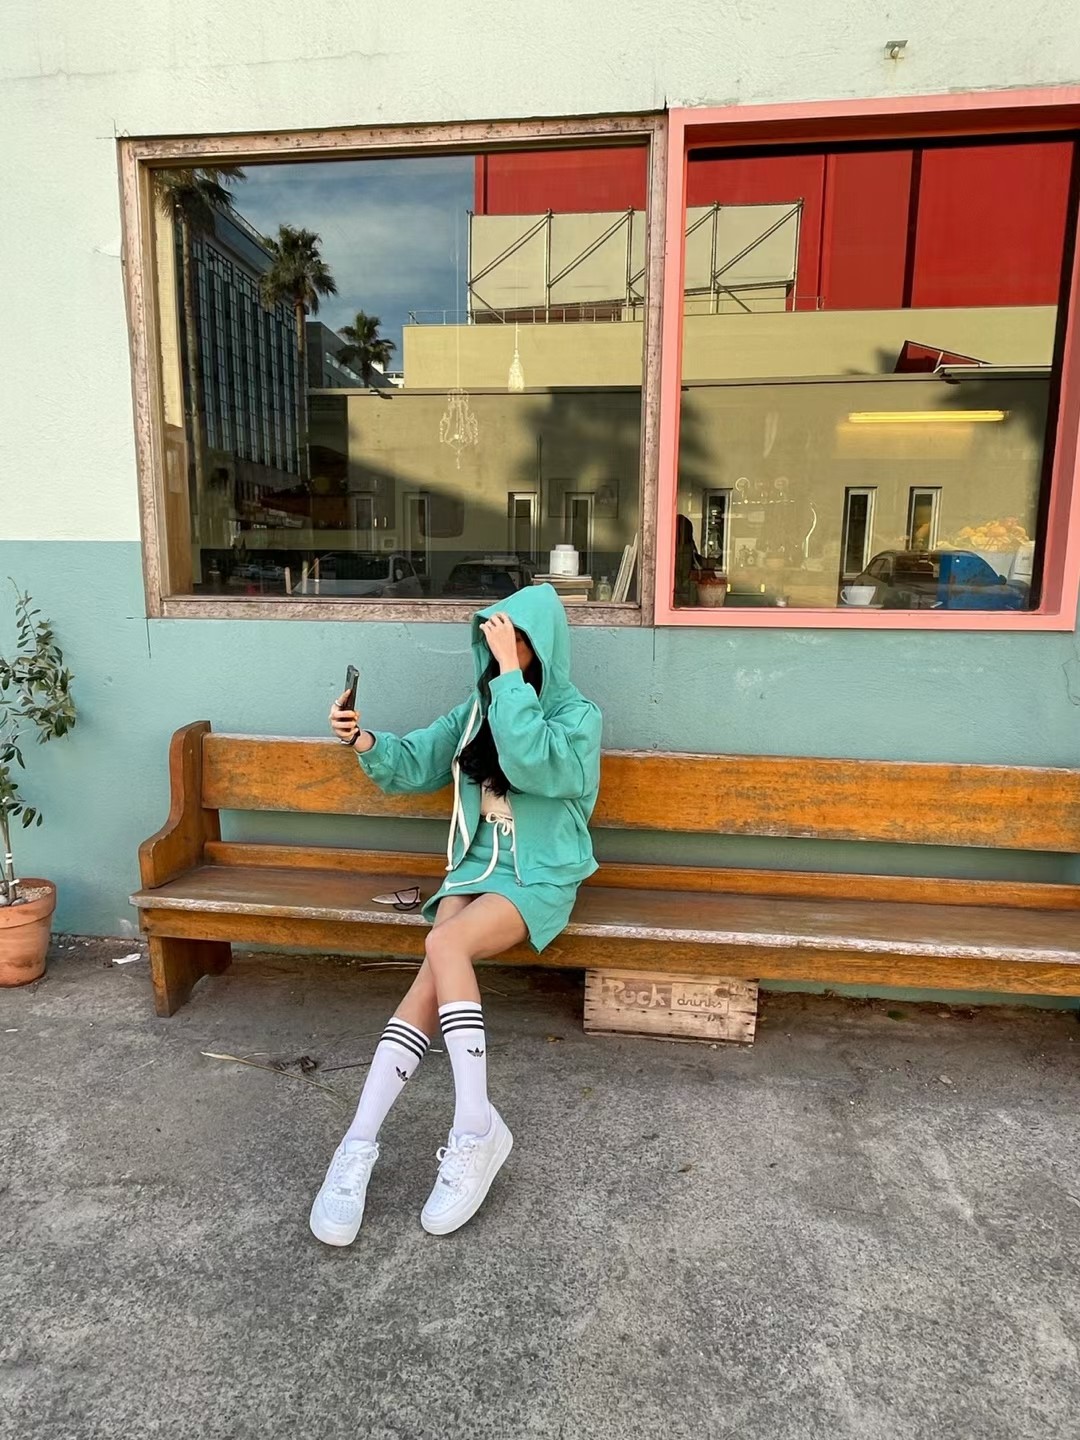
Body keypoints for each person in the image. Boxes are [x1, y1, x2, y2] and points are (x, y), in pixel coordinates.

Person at [310, 582, 603, 1245]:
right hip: (474, 871)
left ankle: (474, 1125)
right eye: (495, 641)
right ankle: (357, 1144)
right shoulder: (476, 710)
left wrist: (509, 681)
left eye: (516, 641)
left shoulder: (579, 717)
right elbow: (416, 761)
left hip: (540, 876)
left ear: (542, 647)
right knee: (432, 970)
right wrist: (364, 740)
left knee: (442, 947)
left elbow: (534, 766)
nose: (502, 652)